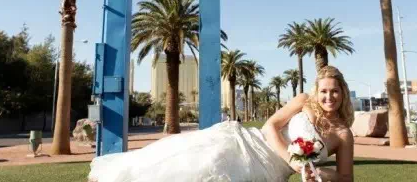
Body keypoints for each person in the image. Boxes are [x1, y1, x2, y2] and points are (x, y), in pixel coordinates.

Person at [88, 66, 354, 182]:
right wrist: (292, 158)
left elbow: (345, 178)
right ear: (317, 91)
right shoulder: (303, 100)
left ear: (343, 92)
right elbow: (271, 126)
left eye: (335, 91)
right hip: (247, 145)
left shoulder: (343, 135)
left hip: (270, 174)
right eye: (324, 91)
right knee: (193, 165)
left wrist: (314, 174)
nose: (329, 97)